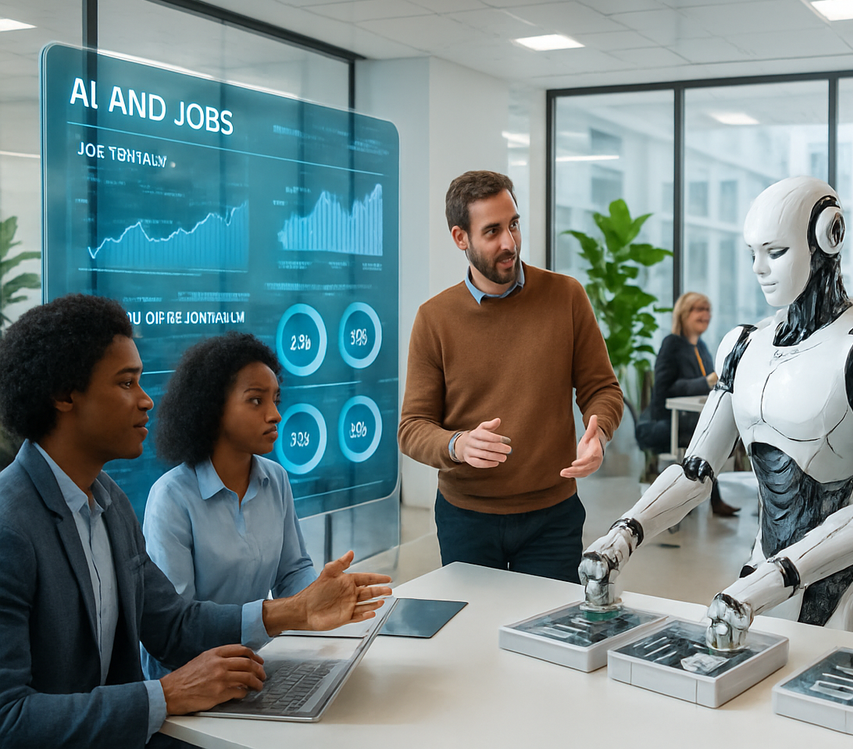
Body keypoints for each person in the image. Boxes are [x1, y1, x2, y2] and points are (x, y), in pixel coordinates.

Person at [0, 294, 392, 749]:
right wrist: (165, 694)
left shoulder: (110, 504)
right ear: (64, 395)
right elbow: (9, 719)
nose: (146, 401)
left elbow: (173, 626)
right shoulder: (11, 525)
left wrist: (296, 609)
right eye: (126, 384)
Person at [580, 176, 853, 650]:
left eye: (775, 252)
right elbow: (695, 470)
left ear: (828, 237)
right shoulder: (744, 346)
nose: (760, 268)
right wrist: (624, 534)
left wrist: (771, 580)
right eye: (753, 253)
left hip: (839, 592)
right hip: (754, 585)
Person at [398, 170, 624, 583]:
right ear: (460, 237)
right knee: (474, 639)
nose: (509, 242)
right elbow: (412, 428)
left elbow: (602, 388)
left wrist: (599, 431)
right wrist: (458, 444)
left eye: (513, 225)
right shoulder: (434, 319)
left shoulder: (566, 296)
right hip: (467, 518)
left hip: (553, 517)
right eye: (492, 231)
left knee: (549, 640)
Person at [140, 332, 319, 680]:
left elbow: (293, 571)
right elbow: (177, 626)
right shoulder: (171, 497)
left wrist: (322, 598)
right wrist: (288, 612)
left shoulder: (276, 479)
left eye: (276, 399)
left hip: (255, 668)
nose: (275, 415)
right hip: (190, 679)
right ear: (213, 407)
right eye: (256, 401)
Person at [636, 292, 739, 516]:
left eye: (708, 310)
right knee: (711, 436)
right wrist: (704, 382)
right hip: (667, 423)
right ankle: (710, 501)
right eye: (699, 310)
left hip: (691, 419)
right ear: (684, 314)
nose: (705, 315)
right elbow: (664, 390)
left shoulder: (701, 347)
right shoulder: (671, 344)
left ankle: (706, 500)